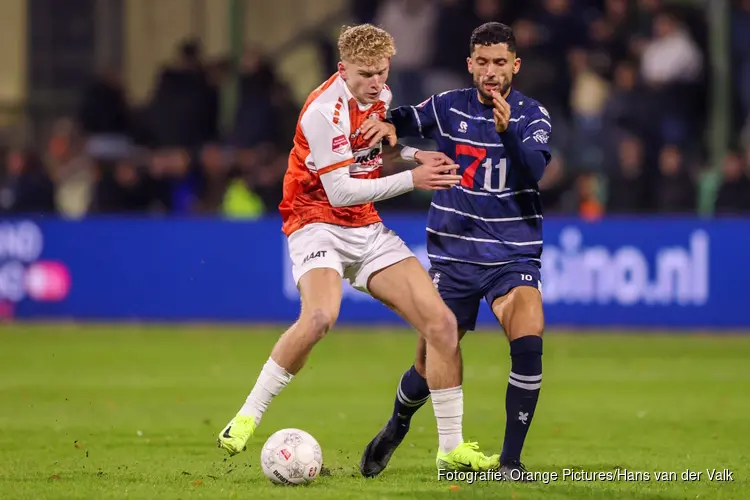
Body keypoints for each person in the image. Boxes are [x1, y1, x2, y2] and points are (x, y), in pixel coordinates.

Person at [217, 23, 500, 473]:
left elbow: (371, 155)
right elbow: (341, 190)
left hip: (365, 227)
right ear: (342, 68)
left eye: (382, 73)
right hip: (316, 221)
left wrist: (412, 154)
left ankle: (451, 449)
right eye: (366, 73)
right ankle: (246, 416)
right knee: (320, 316)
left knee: (443, 326)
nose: (376, 83)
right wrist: (414, 179)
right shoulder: (321, 111)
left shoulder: (381, 98)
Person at [359, 22, 552, 481]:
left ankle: (510, 462)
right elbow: (406, 117)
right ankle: (397, 424)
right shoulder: (448, 107)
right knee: (428, 365)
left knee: (529, 337)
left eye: (499, 63)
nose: (490, 72)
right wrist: (388, 124)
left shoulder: (532, 116)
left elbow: (532, 173)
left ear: (515, 66)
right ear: (470, 65)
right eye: (482, 62)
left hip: (512, 256)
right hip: (455, 255)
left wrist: (506, 134)